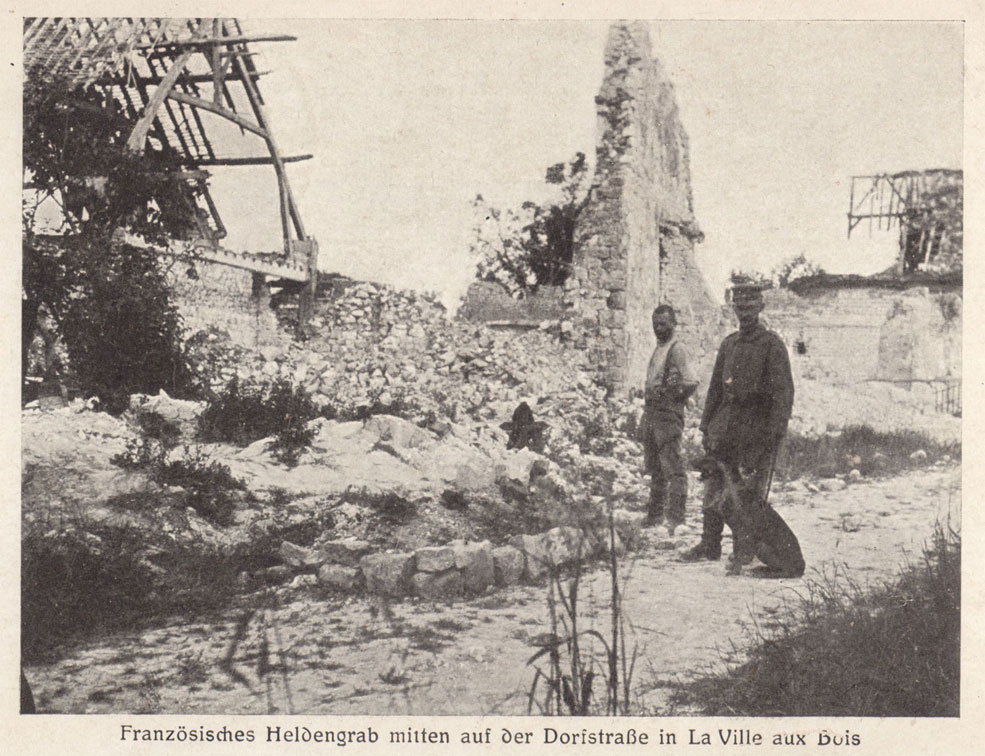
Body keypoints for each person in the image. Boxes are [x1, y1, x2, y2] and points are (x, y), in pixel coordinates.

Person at [681, 279, 794, 565]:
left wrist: (773, 436)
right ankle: (709, 545)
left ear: (761, 306)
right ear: (734, 307)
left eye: (750, 305)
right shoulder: (729, 344)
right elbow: (716, 391)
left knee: (745, 494)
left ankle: (744, 550)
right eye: (739, 305)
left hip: (754, 431)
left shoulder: (772, 345)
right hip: (724, 428)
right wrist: (706, 426)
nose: (744, 311)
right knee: (713, 486)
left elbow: (783, 396)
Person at [639, 304, 698, 532]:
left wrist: (671, 395)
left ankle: (676, 518)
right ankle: (654, 516)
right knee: (654, 466)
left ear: (674, 324)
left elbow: (691, 382)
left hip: (667, 414)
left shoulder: (677, 349)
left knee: (673, 466)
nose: (658, 328)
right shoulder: (659, 348)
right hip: (652, 412)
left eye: (663, 324)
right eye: (655, 324)